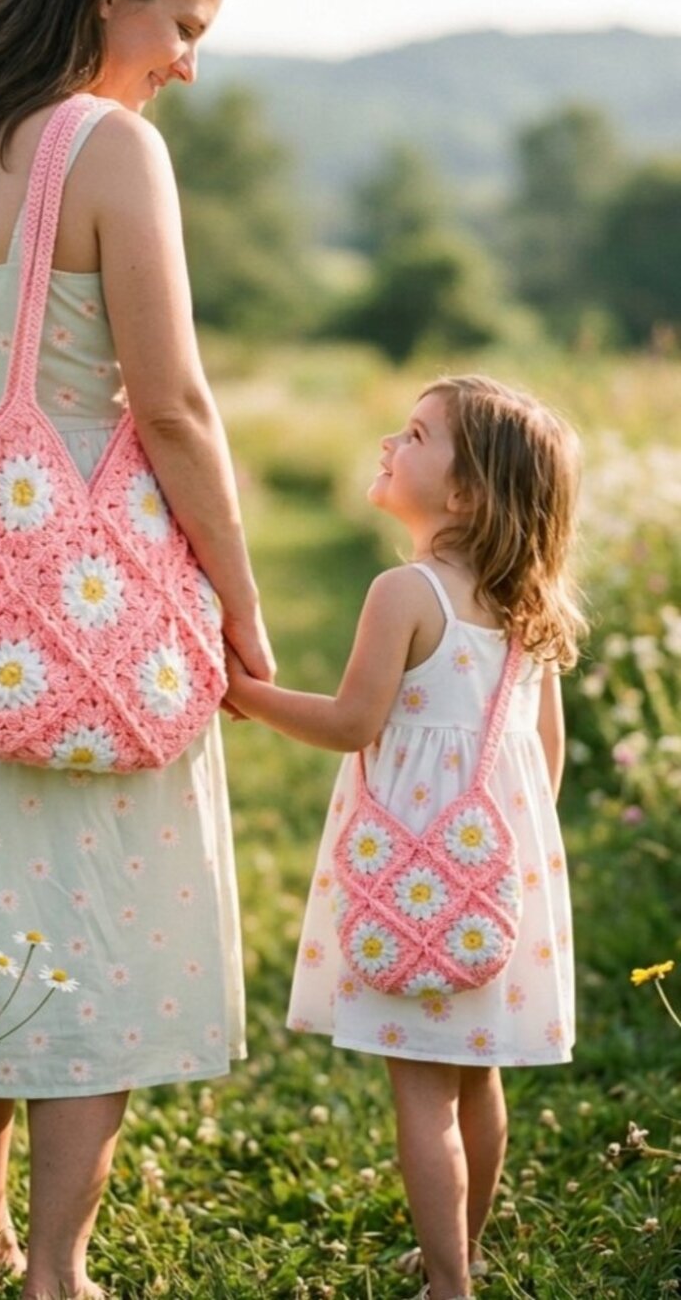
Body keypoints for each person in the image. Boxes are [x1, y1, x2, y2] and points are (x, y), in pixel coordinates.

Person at [0, 0, 273, 1296]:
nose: (187, 65)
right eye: (184, 27)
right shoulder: (106, 148)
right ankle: (57, 1270)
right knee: (92, 915)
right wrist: (240, 600)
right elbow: (173, 405)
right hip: (87, 583)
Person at [225, 375, 586, 1300]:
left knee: (423, 1094)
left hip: (414, 886)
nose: (391, 440)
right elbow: (546, 761)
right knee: (479, 1080)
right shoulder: (527, 610)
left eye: (417, 434)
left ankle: (448, 1284)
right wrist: (505, 862)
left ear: (464, 492)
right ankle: (463, 1252)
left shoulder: (406, 591)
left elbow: (353, 721)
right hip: (496, 884)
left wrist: (245, 694)